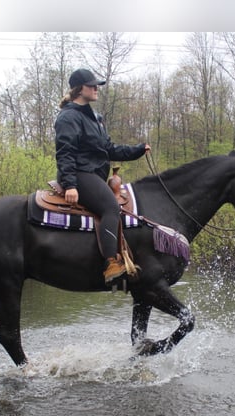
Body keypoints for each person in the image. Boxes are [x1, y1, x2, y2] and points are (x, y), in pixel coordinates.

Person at [55, 68, 151, 284]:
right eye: (92, 85)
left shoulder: (95, 118)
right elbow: (65, 152)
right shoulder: (68, 117)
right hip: (79, 173)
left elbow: (109, 149)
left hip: (93, 174)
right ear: (80, 90)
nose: (96, 89)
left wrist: (137, 150)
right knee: (110, 207)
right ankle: (110, 264)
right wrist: (70, 184)